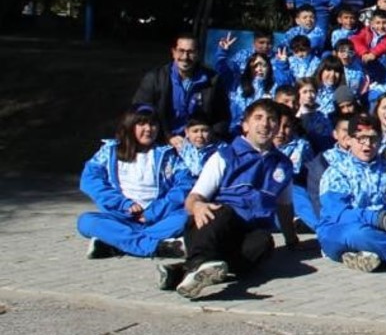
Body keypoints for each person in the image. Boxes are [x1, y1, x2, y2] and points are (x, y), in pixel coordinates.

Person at [161, 99, 298, 299]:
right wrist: (198, 206)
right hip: (215, 227)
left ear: (277, 126)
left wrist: (292, 240)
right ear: (245, 125)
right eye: (258, 118)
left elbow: (284, 206)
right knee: (221, 212)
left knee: (264, 243)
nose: (265, 124)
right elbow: (194, 198)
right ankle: (198, 265)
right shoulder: (225, 156)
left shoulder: (282, 165)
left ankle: (183, 272)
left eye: (271, 120)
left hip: (248, 232)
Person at [79, 105, 191, 260]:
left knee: (187, 217)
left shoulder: (167, 154)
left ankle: (116, 244)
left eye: (153, 124)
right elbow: (90, 179)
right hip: (122, 218)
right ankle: (158, 248)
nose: (148, 129)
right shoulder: (110, 151)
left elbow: (185, 184)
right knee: (86, 222)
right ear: (130, 126)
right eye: (142, 124)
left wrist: (153, 213)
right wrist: (123, 204)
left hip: (159, 219)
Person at [316, 116, 386, 272]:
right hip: (343, 228)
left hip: (385, 225)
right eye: (361, 139)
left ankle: (370, 255)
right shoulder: (336, 172)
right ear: (349, 140)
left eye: (372, 139)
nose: (368, 145)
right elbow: (338, 213)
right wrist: (375, 219)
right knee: (359, 235)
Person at [133, 34, 231, 145]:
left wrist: (208, 138)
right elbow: (140, 111)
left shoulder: (213, 80)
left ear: (198, 54)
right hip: (161, 141)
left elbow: (222, 116)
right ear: (173, 52)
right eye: (181, 51)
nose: (185, 57)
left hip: (200, 143)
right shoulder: (155, 79)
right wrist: (167, 137)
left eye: (190, 52)